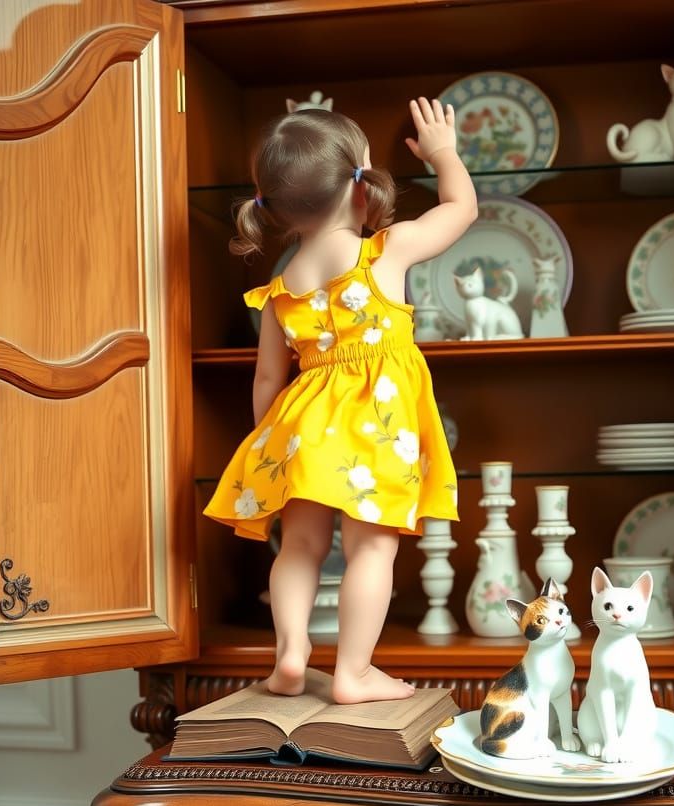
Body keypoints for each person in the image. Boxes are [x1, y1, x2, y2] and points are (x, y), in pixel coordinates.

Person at [203, 98, 477, 704]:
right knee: (370, 548)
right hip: (376, 429)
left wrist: (268, 448)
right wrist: (443, 154)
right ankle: (352, 672)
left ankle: (291, 654)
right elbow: (461, 209)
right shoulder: (387, 251)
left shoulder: (280, 289)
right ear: (361, 187)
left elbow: (267, 382)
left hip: (302, 431)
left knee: (300, 546)